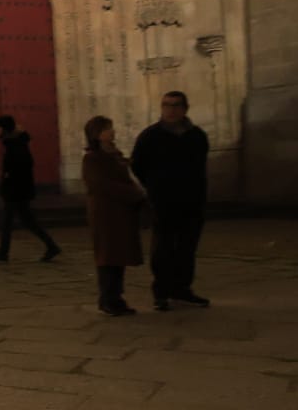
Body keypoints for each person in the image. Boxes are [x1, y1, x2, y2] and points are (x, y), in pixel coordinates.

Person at [130, 91, 211, 310]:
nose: (171, 110)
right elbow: (137, 165)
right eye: (166, 105)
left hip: (192, 201)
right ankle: (161, 292)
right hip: (163, 201)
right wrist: (155, 185)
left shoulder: (197, 136)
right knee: (163, 248)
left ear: (185, 108)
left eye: (176, 105)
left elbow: (200, 165)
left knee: (187, 247)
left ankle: (182, 289)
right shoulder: (150, 136)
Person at [81, 114, 145, 316]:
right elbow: (99, 184)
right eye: (108, 128)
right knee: (108, 256)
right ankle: (108, 298)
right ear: (98, 134)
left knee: (119, 255)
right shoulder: (92, 158)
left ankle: (116, 296)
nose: (112, 131)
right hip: (106, 213)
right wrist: (132, 193)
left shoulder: (114, 154)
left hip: (121, 212)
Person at [0, 114, 60, 263]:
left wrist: (7, 180)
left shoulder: (16, 144)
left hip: (16, 191)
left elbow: (20, 168)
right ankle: (51, 246)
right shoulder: (15, 142)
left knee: (9, 222)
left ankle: (3, 252)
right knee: (28, 222)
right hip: (17, 191)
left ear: (4, 129)